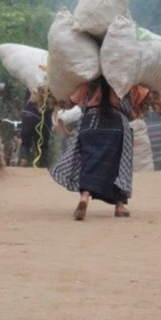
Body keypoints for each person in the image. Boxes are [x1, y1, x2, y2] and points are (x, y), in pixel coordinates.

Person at [50, 78, 153, 220]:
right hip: (115, 124)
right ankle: (119, 206)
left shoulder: (88, 80)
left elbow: (71, 102)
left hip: (90, 122)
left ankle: (84, 197)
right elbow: (135, 108)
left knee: (89, 161)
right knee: (119, 164)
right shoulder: (126, 80)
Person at [18, 89, 54, 167]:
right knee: (43, 147)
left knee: (25, 143)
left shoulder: (32, 82)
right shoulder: (52, 84)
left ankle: (22, 162)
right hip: (44, 118)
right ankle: (43, 168)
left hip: (28, 114)